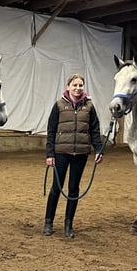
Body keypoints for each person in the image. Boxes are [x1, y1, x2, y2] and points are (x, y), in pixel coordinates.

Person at [43, 73, 103, 238]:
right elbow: (51, 130)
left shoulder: (89, 106)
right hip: (61, 152)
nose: (78, 88)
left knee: (74, 189)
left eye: (80, 85)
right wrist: (50, 153)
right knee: (56, 188)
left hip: (81, 153)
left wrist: (98, 149)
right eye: (74, 85)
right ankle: (48, 221)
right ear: (68, 87)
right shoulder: (59, 105)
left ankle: (68, 224)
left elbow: (95, 130)